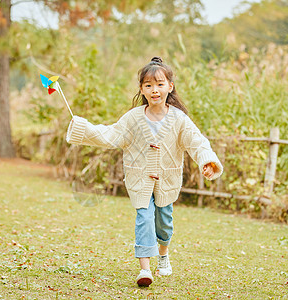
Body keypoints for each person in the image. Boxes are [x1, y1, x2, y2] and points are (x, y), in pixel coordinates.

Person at [66, 56, 223, 287]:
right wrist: (82, 127)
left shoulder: (179, 119)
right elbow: (111, 135)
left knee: (164, 223)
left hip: (167, 180)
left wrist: (208, 161)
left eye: (160, 84)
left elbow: (196, 142)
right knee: (144, 218)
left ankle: (163, 254)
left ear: (170, 86)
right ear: (141, 89)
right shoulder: (133, 118)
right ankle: (144, 270)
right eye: (148, 85)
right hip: (139, 179)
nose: (154, 90)